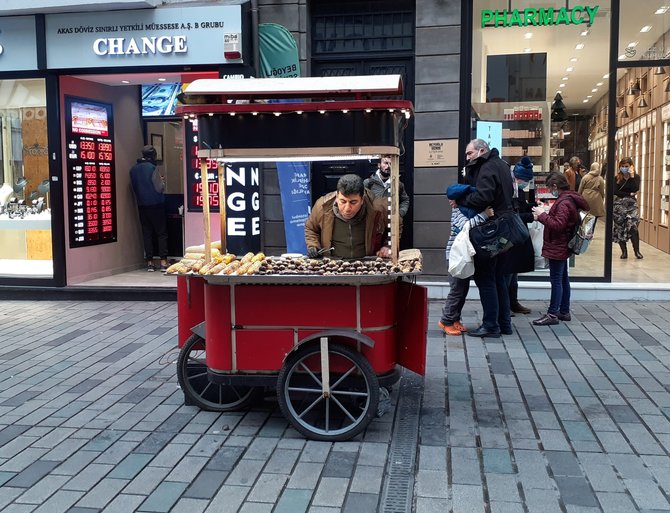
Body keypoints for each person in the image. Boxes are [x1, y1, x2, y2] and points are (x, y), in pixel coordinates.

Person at [457, 138, 515, 338]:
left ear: (482, 150)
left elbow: (483, 197)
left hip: (493, 228)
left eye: (469, 153)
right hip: (506, 227)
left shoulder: (487, 167)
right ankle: (504, 324)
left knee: (485, 278)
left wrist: (461, 199)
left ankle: (491, 325)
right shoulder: (502, 165)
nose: (467, 158)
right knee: (499, 278)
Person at [531, 172, 589, 326]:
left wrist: (542, 215)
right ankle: (564, 311)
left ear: (555, 186)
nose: (550, 190)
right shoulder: (569, 199)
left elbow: (558, 225)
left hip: (558, 244)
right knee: (563, 278)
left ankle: (552, 313)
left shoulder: (564, 203)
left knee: (556, 280)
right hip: (564, 244)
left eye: (550, 187)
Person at [438, 184, 494, 336]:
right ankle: (446, 321)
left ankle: (455, 318)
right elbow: (465, 226)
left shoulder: (465, 211)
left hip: (464, 257)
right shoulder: (457, 212)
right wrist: (484, 215)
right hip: (455, 258)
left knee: (463, 290)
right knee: (456, 291)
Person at [305, 173, 390, 259]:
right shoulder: (322, 206)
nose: (347, 208)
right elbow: (311, 228)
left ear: (362, 199)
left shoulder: (378, 207)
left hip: (367, 264)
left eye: (353, 202)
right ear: (337, 197)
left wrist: (388, 246)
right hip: (333, 264)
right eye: (343, 201)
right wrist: (313, 245)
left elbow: (395, 226)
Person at [129, 145, 168, 272]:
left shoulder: (133, 170)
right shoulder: (152, 168)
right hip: (156, 205)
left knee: (147, 234)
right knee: (161, 233)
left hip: (142, 206)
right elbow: (159, 187)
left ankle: (150, 263)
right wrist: (162, 182)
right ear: (153, 155)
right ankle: (163, 262)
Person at [508, 156, 536, 315]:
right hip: (512, 234)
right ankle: (508, 303)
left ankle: (513, 302)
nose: (525, 184)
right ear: (518, 178)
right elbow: (514, 215)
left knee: (514, 272)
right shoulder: (511, 191)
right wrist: (533, 216)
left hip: (519, 235)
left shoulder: (519, 190)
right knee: (509, 272)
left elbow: (523, 209)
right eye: (524, 180)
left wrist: (533, 207)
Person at [613, 157, 643, 259]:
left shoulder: (636, 177)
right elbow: (615, 191)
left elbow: (635, 188)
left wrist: (632, 176)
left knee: (633, 227)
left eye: (627, 166)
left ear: (631, 166)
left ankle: (637, 251)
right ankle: (624, 252)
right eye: (623, 166)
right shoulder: (616, 178)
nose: (624, 168)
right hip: (619, 205)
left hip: (631, 205)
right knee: (620, 227)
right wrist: (629, 193)